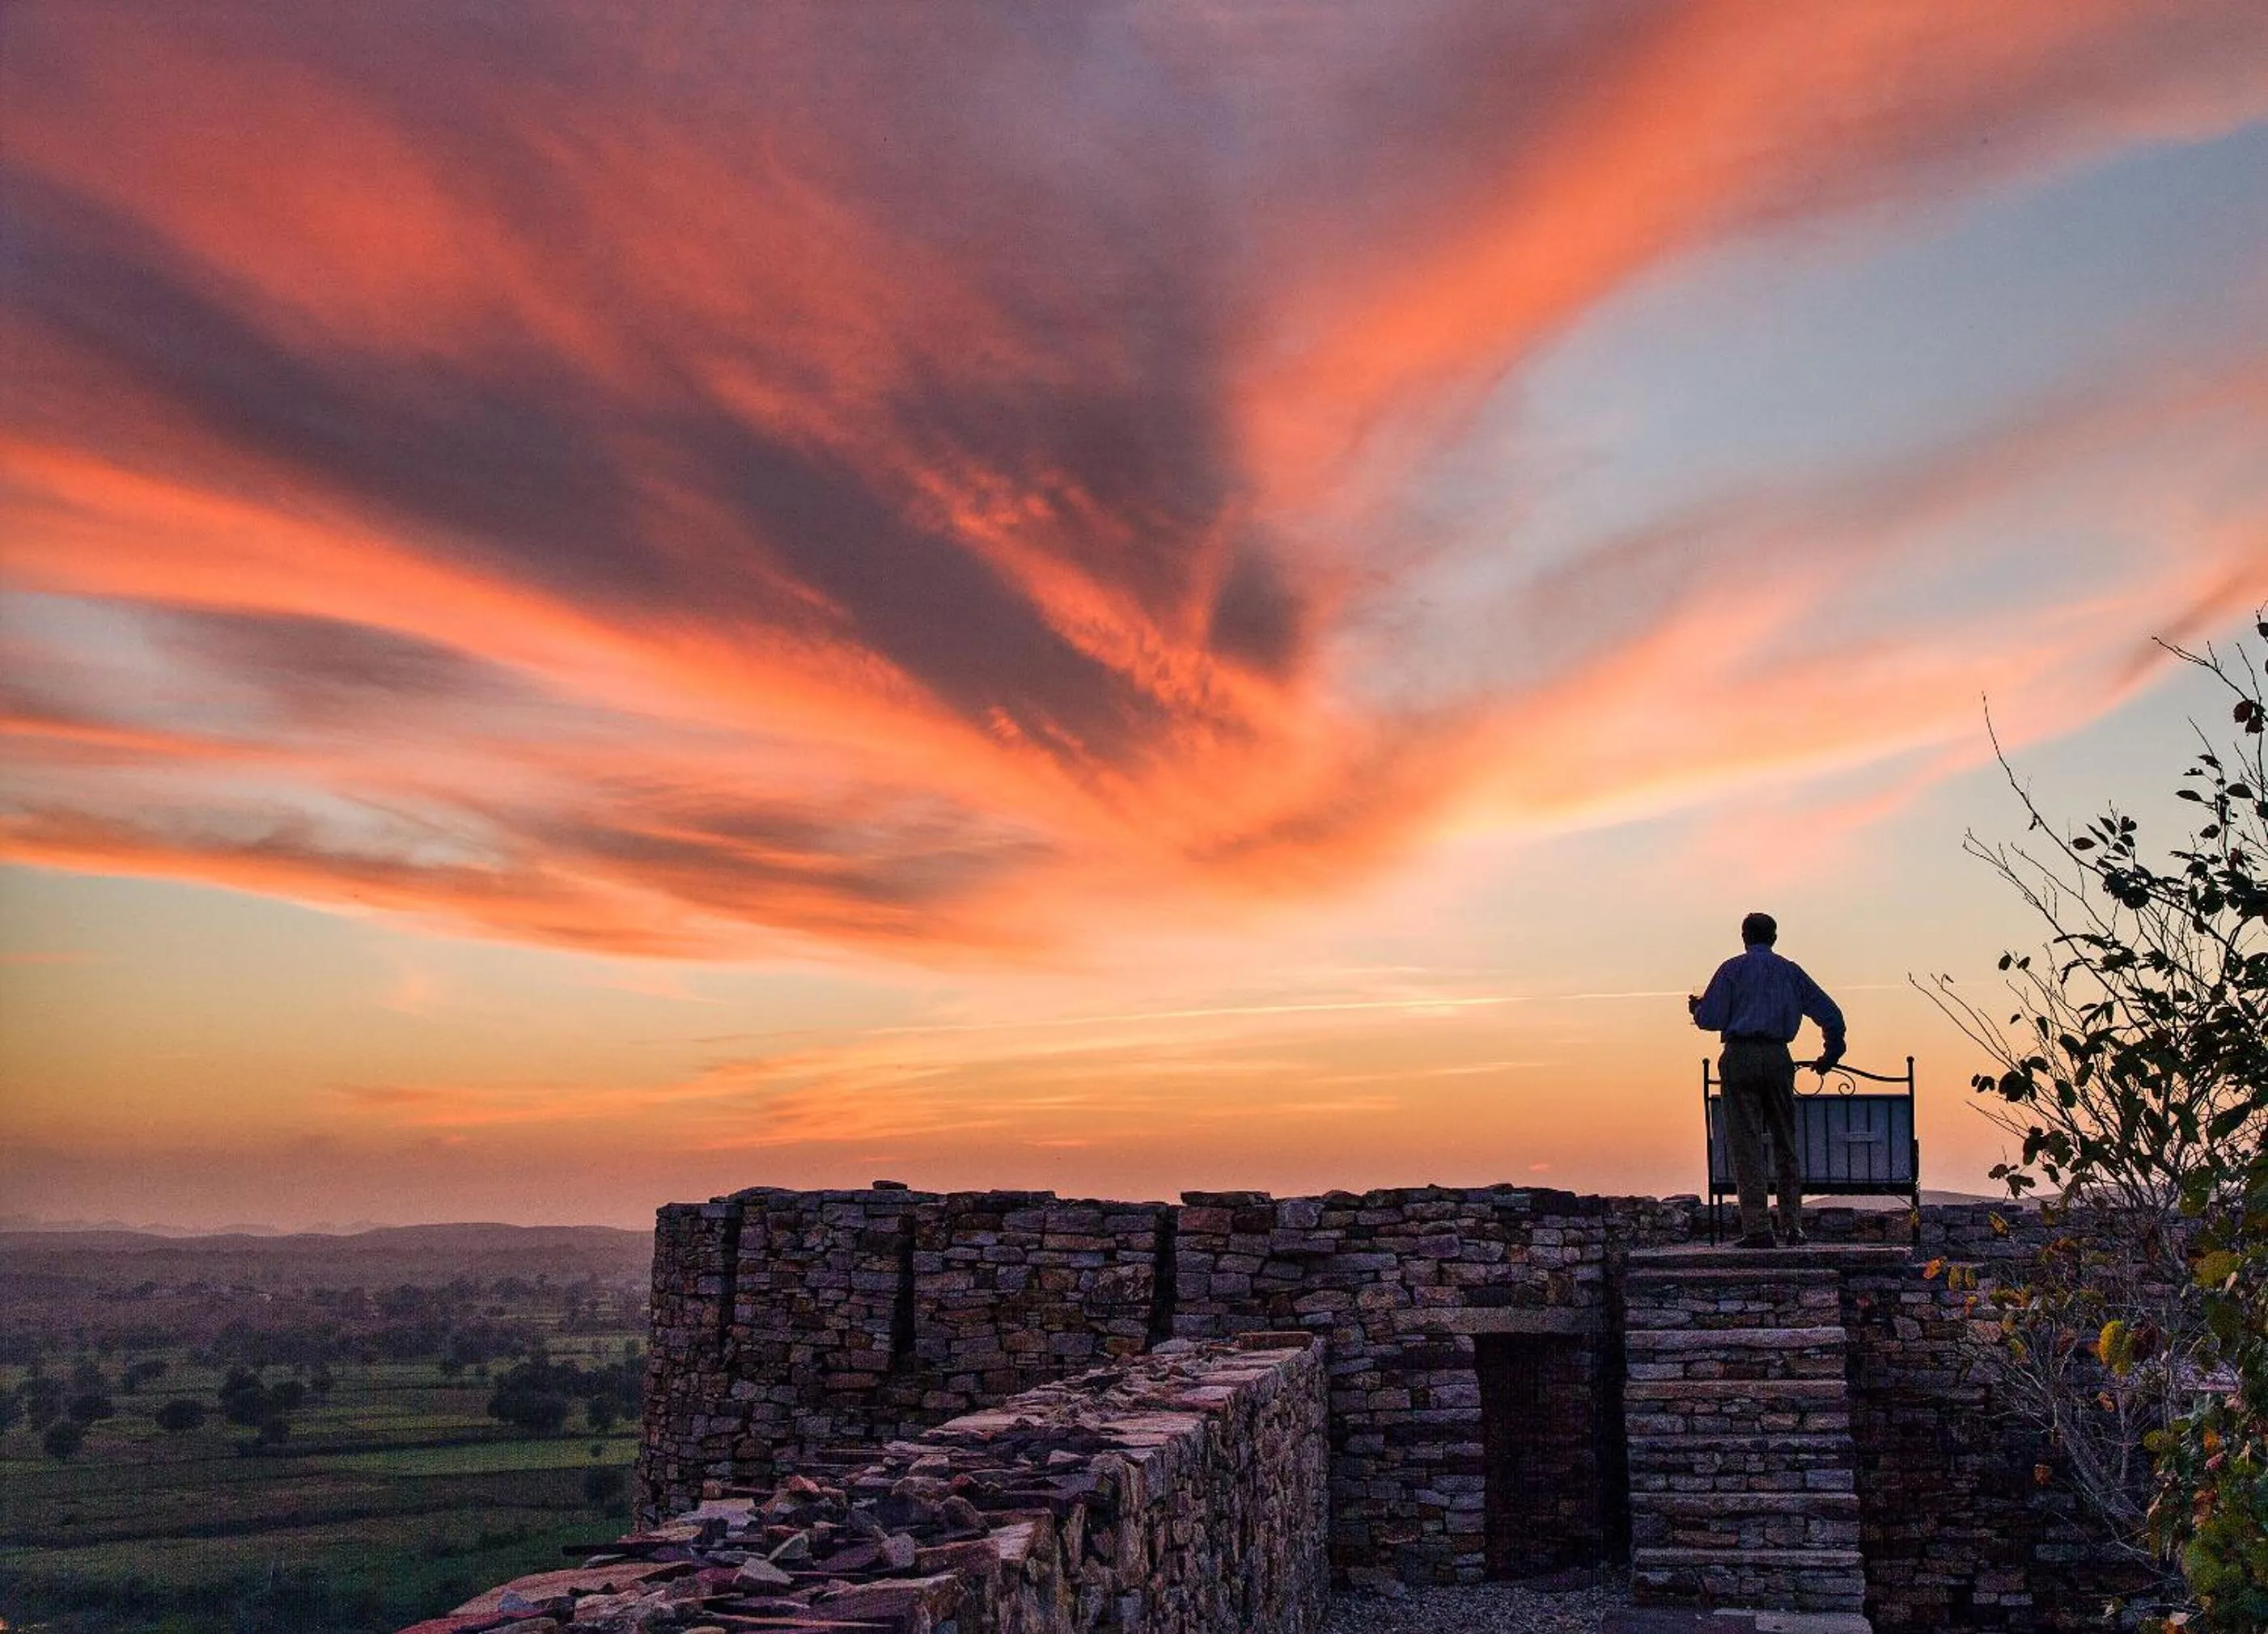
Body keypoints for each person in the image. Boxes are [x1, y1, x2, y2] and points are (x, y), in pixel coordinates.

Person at [1689, 912, 1846, 1249]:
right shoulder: (1790, 972)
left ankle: (1758, 1229)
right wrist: (1831, 1054)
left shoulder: (1731, 970)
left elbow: (1712, 1018)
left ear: (1745, 936)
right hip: (1778, 1057)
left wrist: (1697, 1010)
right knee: (1785, 1142)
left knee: (1746, 1144)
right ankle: (1792, 1226)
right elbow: (1831, 1015)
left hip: (1740, 1057)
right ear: (1774, 937)